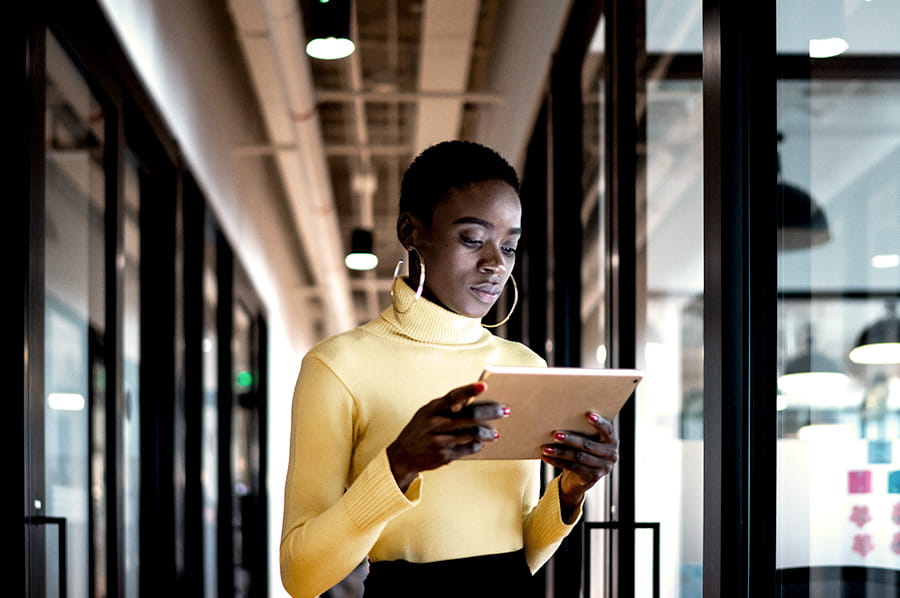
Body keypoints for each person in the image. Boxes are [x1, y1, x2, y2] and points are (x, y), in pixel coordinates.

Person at [280, 140, 619, 598]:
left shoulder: (522, 366)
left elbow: (521, 553)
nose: (495, 264)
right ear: (410, 230)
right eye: (473, 239)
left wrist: (570, 491)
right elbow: (301, 577)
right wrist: (398, 466)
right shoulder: (337, 366)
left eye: (510, 245)